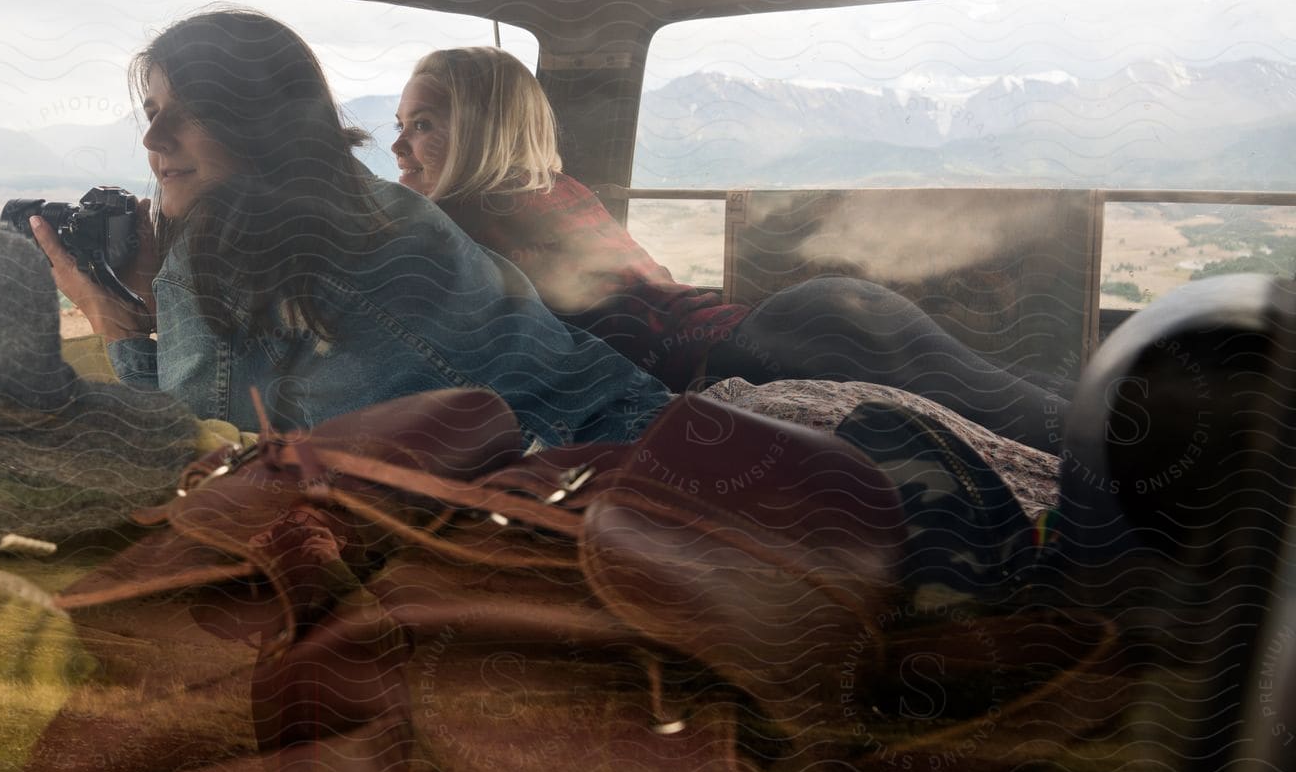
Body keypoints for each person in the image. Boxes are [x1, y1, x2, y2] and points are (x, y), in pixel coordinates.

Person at [32, 9, 669, 446]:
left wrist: (107, 315)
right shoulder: (383, 199)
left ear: (258, 119)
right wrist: (154, 301)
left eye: (190, 110)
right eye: (151, 112)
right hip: (646, 425)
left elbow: (208, 452)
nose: (153, 137)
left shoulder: (225, 243)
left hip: (566, 482)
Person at [396, 46, 1063, 452]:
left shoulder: (454, 219)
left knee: (1057, 428)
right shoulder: (557, 186)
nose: (397, 147)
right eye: (399, 125)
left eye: (422, 125)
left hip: (781, 347)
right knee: (1049, 414)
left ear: (481, 131)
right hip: (808, 322)